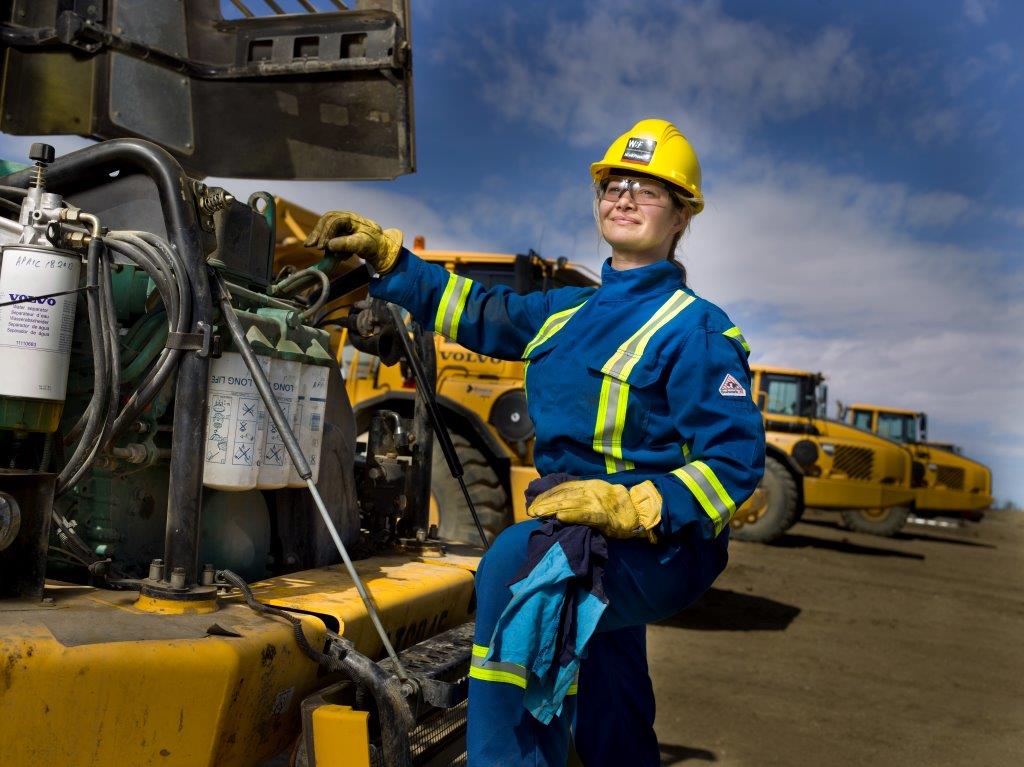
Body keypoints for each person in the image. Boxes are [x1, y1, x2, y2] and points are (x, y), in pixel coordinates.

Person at [306, 118, 765, 766]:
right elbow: (477, 309)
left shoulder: (699, 329)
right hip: (577, 526)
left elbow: (734, 463)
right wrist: (390, 259)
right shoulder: (566, 311)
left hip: (660, 544)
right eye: (613, 184)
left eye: (649, 189)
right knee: (606, 654)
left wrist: (635, 505)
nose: (625, 197)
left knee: (520, 567)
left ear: (682, 213)